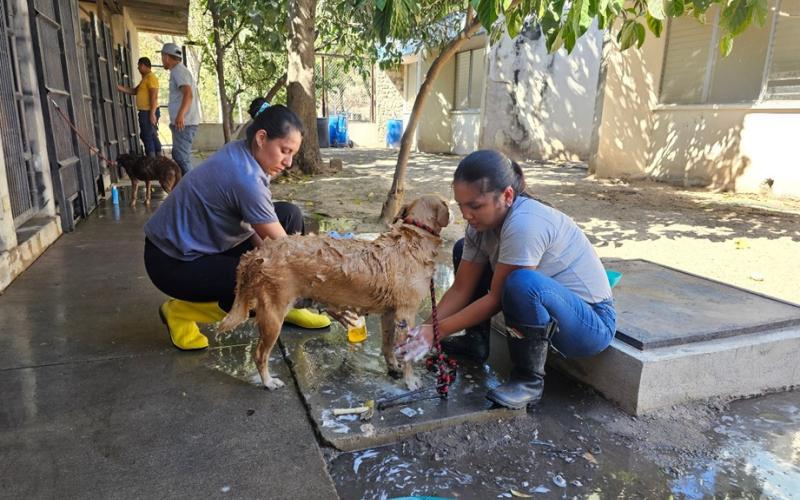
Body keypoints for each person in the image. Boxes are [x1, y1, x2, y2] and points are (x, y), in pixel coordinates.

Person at [396, 150, 616, 410]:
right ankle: (475, 342)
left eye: (475, 206)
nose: (466, 214)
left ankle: (529, 381)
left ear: (508, 196)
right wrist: (425, 329)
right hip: (551, 310)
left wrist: (438, 331)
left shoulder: (525, 223)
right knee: (461, 249)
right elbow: (461, 289)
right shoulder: (479, 227)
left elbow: (496, 299)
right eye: (461, 205)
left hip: (590, 325)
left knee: (521, 283)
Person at [143, 103, 331, 351]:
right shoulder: (246, 178)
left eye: (293, 154)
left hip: (205, 243)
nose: (288, 162)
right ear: (262, 138)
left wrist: (280, 274)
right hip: (171, 262)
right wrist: (331, 293)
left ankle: (283, 307)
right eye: (285, 150)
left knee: (288, 215)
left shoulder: (243, 152)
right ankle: (180, 312)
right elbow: (290, 252)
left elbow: (256, 228)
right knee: (260, 281)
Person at [160, 42, 200, 174]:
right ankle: (187, 186)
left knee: (181, 157)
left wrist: (180, 115)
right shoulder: (179, 71)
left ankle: (193, 187)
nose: (162, 60)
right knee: (179, 156)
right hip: (184, 123)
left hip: (185, 123)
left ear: (166, 57)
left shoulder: (178, 71)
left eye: (162, 56)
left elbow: (188, 94)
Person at [117, 57, 162, 157]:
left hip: (148, 112)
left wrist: (152, 113)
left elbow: (154, 97)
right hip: (145, 112)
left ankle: (152, 159)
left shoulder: (151, 78)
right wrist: (119, 88)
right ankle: (158, 156)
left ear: (143, 65)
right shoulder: (145, 79)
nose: (138, 68)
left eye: (139, 65)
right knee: (150, 134)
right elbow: (134, 91)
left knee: (147, 136)